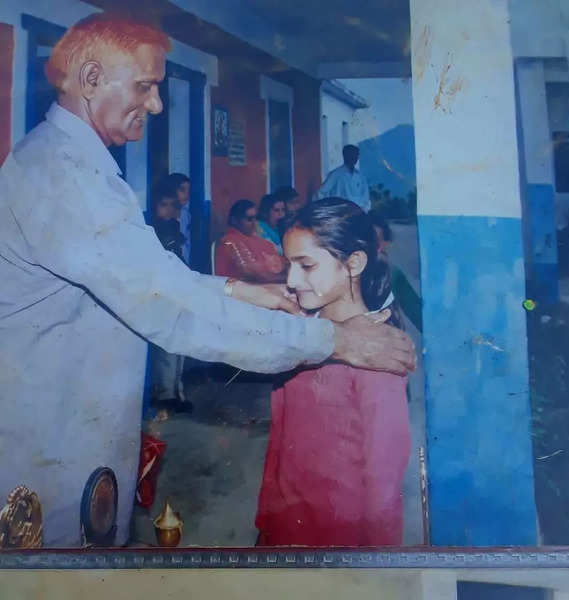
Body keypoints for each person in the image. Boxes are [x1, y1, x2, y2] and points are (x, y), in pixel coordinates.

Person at [0, 13, 415, 548]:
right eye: (147, 86)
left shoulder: (75, 166)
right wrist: (334, 339)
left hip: (65, 432)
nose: (156, 105)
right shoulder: (63, 179)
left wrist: (238, 289)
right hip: (44, 449)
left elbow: (154, 276)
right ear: (92, 79)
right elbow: (170, 312)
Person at [255, 198, 410, 546]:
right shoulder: (299, 335)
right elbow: (280, 437)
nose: (292, 280)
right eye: (288, 266)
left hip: (341, 538)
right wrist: (266, 519)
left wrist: (380, 567)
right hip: (286, 527)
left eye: (306, 265)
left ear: (353, 263)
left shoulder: (376, 354)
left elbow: (384, 481)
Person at [148, 191, 192, 413]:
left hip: (177, 288)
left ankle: (177, 391)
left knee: (178, 344)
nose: (168, 210)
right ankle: (165, 393)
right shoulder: (152, 230)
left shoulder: (174, 229)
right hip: (161, 290)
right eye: (163, 205)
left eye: (172, 206)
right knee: (165, 345)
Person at [215, 199, 286, 283]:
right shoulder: (229, 241)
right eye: (249, 219)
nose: (254, 223)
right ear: (234, 221)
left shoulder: (260, 241)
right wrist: (285, 278)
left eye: (255, 218)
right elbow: (252, 274)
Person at [317, 144, 371, 212]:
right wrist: (326, 210)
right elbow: (320, 193)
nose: (355, 157)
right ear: (345, 156)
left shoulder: (361, 176)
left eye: (356, 155)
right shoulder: (335, 174)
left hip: (357, 214)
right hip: (340, 214)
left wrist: (364, 212)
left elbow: (366, 198)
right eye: (352, 155)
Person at [164, 173, 191, 264]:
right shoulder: (163, 214)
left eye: (188, 191)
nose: (186, 195)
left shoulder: (187, 214)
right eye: (182, 190)